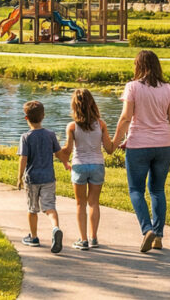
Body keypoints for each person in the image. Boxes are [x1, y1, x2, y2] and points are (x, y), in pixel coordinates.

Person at [111, 50, 170, 252]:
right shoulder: (168, 89)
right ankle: (157, 236)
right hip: (164, 145)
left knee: (136, 190)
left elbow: (125, 118)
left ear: (138, 66)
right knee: (157, 190)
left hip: (139, 145)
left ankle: (147, 229)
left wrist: (114, 142)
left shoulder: (133, 87)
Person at [60, 89, 113, 250]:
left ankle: (83, 240)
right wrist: (119, 139)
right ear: (92, 103)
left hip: (79, 166)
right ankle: (94, 238)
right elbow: (109, 148)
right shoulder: (101, 124)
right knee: (93, 203)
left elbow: (67, 151)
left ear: (74, 106)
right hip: (97, 165)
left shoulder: (72, 126)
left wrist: (56, 152)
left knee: (80, 204)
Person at [17, 100, 71, 253]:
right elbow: (59, 153)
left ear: (26, 118)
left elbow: (23, 159)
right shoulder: (51, 135)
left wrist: (19, 177)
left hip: (32, 179)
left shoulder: (26, 137)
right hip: (48, 178)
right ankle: (55, 228)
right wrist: (66, 164)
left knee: (32, 209)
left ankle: (33, 237)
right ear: (43, 116)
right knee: (49, 207)